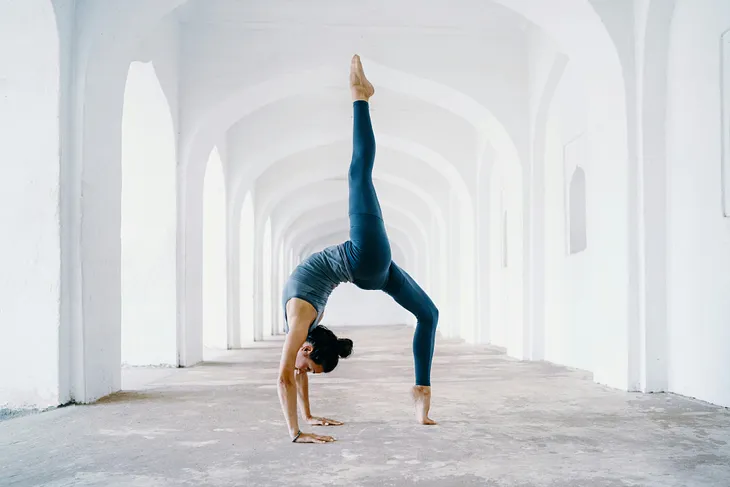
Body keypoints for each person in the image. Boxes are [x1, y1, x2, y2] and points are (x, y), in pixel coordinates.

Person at [277, 55, 439, 444]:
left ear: (309, 347)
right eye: (312, 370)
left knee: (358, 171)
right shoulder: (305, 333)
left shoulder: (300, 320)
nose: (304, 372)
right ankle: (420, 393)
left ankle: (359, 96)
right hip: (368, 263)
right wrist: (308, 419)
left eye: (309, 369)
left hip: (367, 261)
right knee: (428, 315)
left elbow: (284, 375)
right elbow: (296, 372)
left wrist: (298, 431)